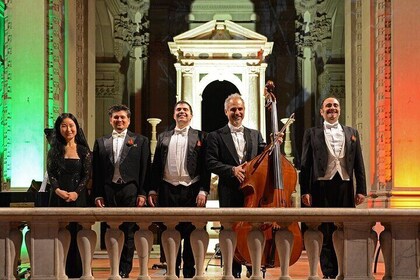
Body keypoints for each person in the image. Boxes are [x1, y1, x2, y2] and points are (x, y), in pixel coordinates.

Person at [299, 96, 366, 279]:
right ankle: (330, 272)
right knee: (325, 230)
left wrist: (361, 189)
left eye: (335, 105)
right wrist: (305, 190)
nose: (332, 108)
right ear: (321, 111)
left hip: (344, 184)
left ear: (340, 110)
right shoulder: (312, 133)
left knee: (345, 227)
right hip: (321, 185)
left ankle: (345, 269)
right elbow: (305, 166)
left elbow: (359, 163)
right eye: (328, 106)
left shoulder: (352, 132)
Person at [206, 93, 266, 278]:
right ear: (226, 111)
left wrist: (275, 146)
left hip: (253, 192)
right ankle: (232, 271)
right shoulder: (215, 136)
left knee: (252, 228)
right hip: (229, 190)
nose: (237, 112)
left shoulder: (255, 134)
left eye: (240, 109)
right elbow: (210, 162)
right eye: (233, 109)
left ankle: (253, 266)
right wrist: (232, 170)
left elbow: (263, 157)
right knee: (230, 229)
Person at [148, 100, 210, 278]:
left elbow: (206, 167)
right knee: (169, 231)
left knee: (191, 232)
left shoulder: (201, 136)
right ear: (174, 114)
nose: (182, 112)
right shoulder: (163, 137)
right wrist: (152, 189)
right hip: (168, 189)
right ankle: (172, 271)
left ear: (191, 115)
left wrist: (203, 191)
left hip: (192, 189)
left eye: (185, 110)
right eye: (178, 110)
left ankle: (190, 272)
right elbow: (156, 165)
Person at [92, 104, 150, 278]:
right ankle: (114, 265)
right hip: (109, 189)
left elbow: (145, 169)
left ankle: (125, 269)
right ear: (110, 120)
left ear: (129, 120)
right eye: (116, 117)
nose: (119, 120)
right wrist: (97, 194)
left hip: (130, 189)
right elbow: (97, 172)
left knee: (129, 230)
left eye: (123, 117)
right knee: (111, 229)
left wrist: (142, 193)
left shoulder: (141, 141)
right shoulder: (101, 142)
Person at [47, 113, 92, 278]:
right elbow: (51, 173)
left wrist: (76, 192)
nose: (68, 129)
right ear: (59, 129)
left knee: (77, 233)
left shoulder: (83, 150)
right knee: (58, 232)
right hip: (58, 196)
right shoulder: (54, 150)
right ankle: (59, 271)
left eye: (71, 125)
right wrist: (57, 190)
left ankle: (78, 271)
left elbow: (86, 175)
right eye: (64, 126)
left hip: (78, 197)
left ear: (76, 128)